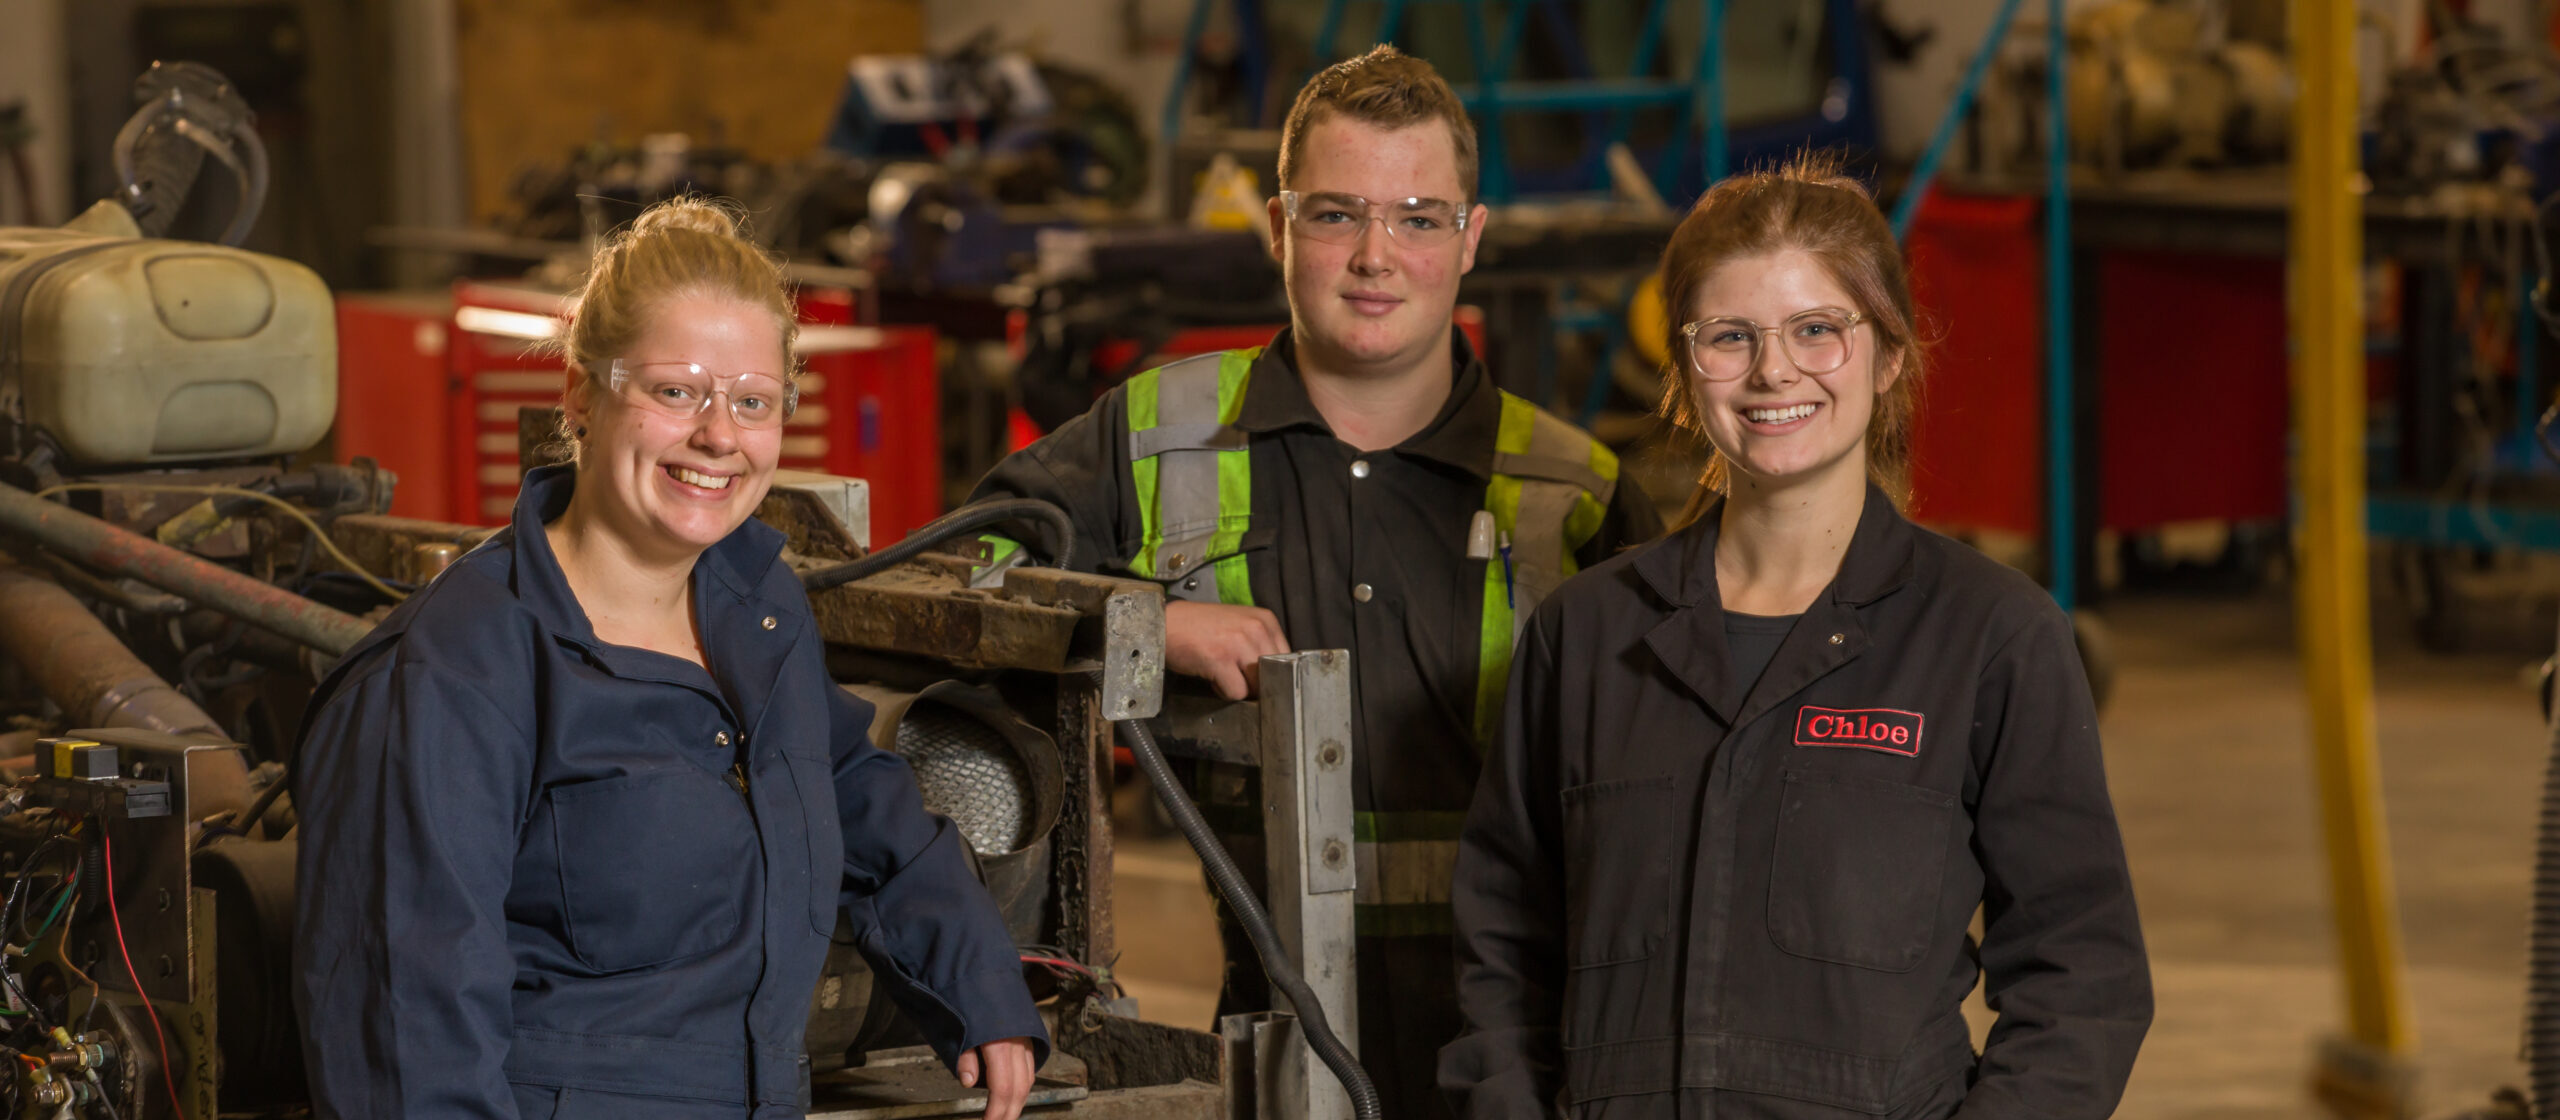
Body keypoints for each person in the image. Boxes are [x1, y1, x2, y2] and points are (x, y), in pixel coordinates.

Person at [970, 45, 1660, 1116]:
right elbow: (957, 586)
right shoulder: (1155, 435)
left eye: (1419, 218)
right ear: (1278, 228)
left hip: (1524, 1063)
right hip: (1266, 1057)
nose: (1375, 257)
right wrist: (1142, 623)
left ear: (1469, 240)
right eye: (1337, 214)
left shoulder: (1575, 492)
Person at [293, 199, 1047, 1120]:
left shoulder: (755, 609)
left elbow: (857, 793)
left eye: (753, 402)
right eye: (676, 390)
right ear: (580, 395)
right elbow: (410, 1034)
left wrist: (982, 987)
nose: (720, 436)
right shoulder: (464, 665)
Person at [1439, 159, 2152, 1119]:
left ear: (1888, 355)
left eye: (1818, 329)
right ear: (1688, 371)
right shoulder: (1587, 637)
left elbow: (2083, 980)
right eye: (1730, 336)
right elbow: (1500, 952)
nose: (1775, 370)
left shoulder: (1992, 638)